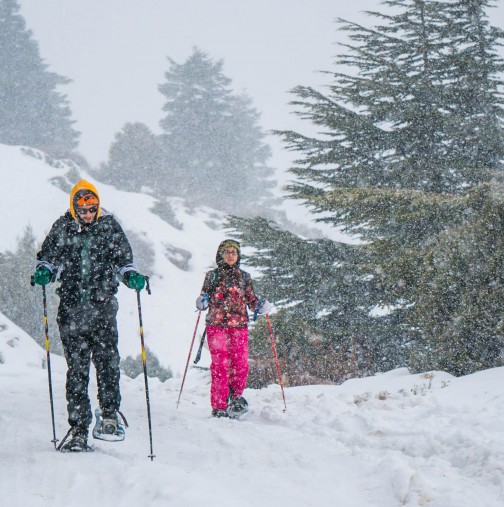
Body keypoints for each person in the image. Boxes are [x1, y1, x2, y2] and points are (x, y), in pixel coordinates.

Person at [33, 179, 146, 452]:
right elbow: (48, 257)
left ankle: (109, 414)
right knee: (78, 371)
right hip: (71, 309)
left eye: (92, 208)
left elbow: (123, 261)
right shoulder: (63, 227)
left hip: (103, 308)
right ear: (74, 208)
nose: (88, 214)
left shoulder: (109, 227)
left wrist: (131, 275)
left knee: (108, 363)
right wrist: (45, 270)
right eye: (82, 210)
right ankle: (78, 429)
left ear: (97, 206)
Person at [196, 239, 271, 418]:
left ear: (238, 256)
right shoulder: (212, 276)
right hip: (216, 326)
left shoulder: (244, 277)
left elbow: (251, 300)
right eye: (227, 251)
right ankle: (219, 406)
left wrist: (261, 306)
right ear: (221, 255)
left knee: (240, 365)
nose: (231, 255)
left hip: (239, 326)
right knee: (220, 365)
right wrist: (201, 302)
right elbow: (204, 297)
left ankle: (236, 398)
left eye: (234, 252)